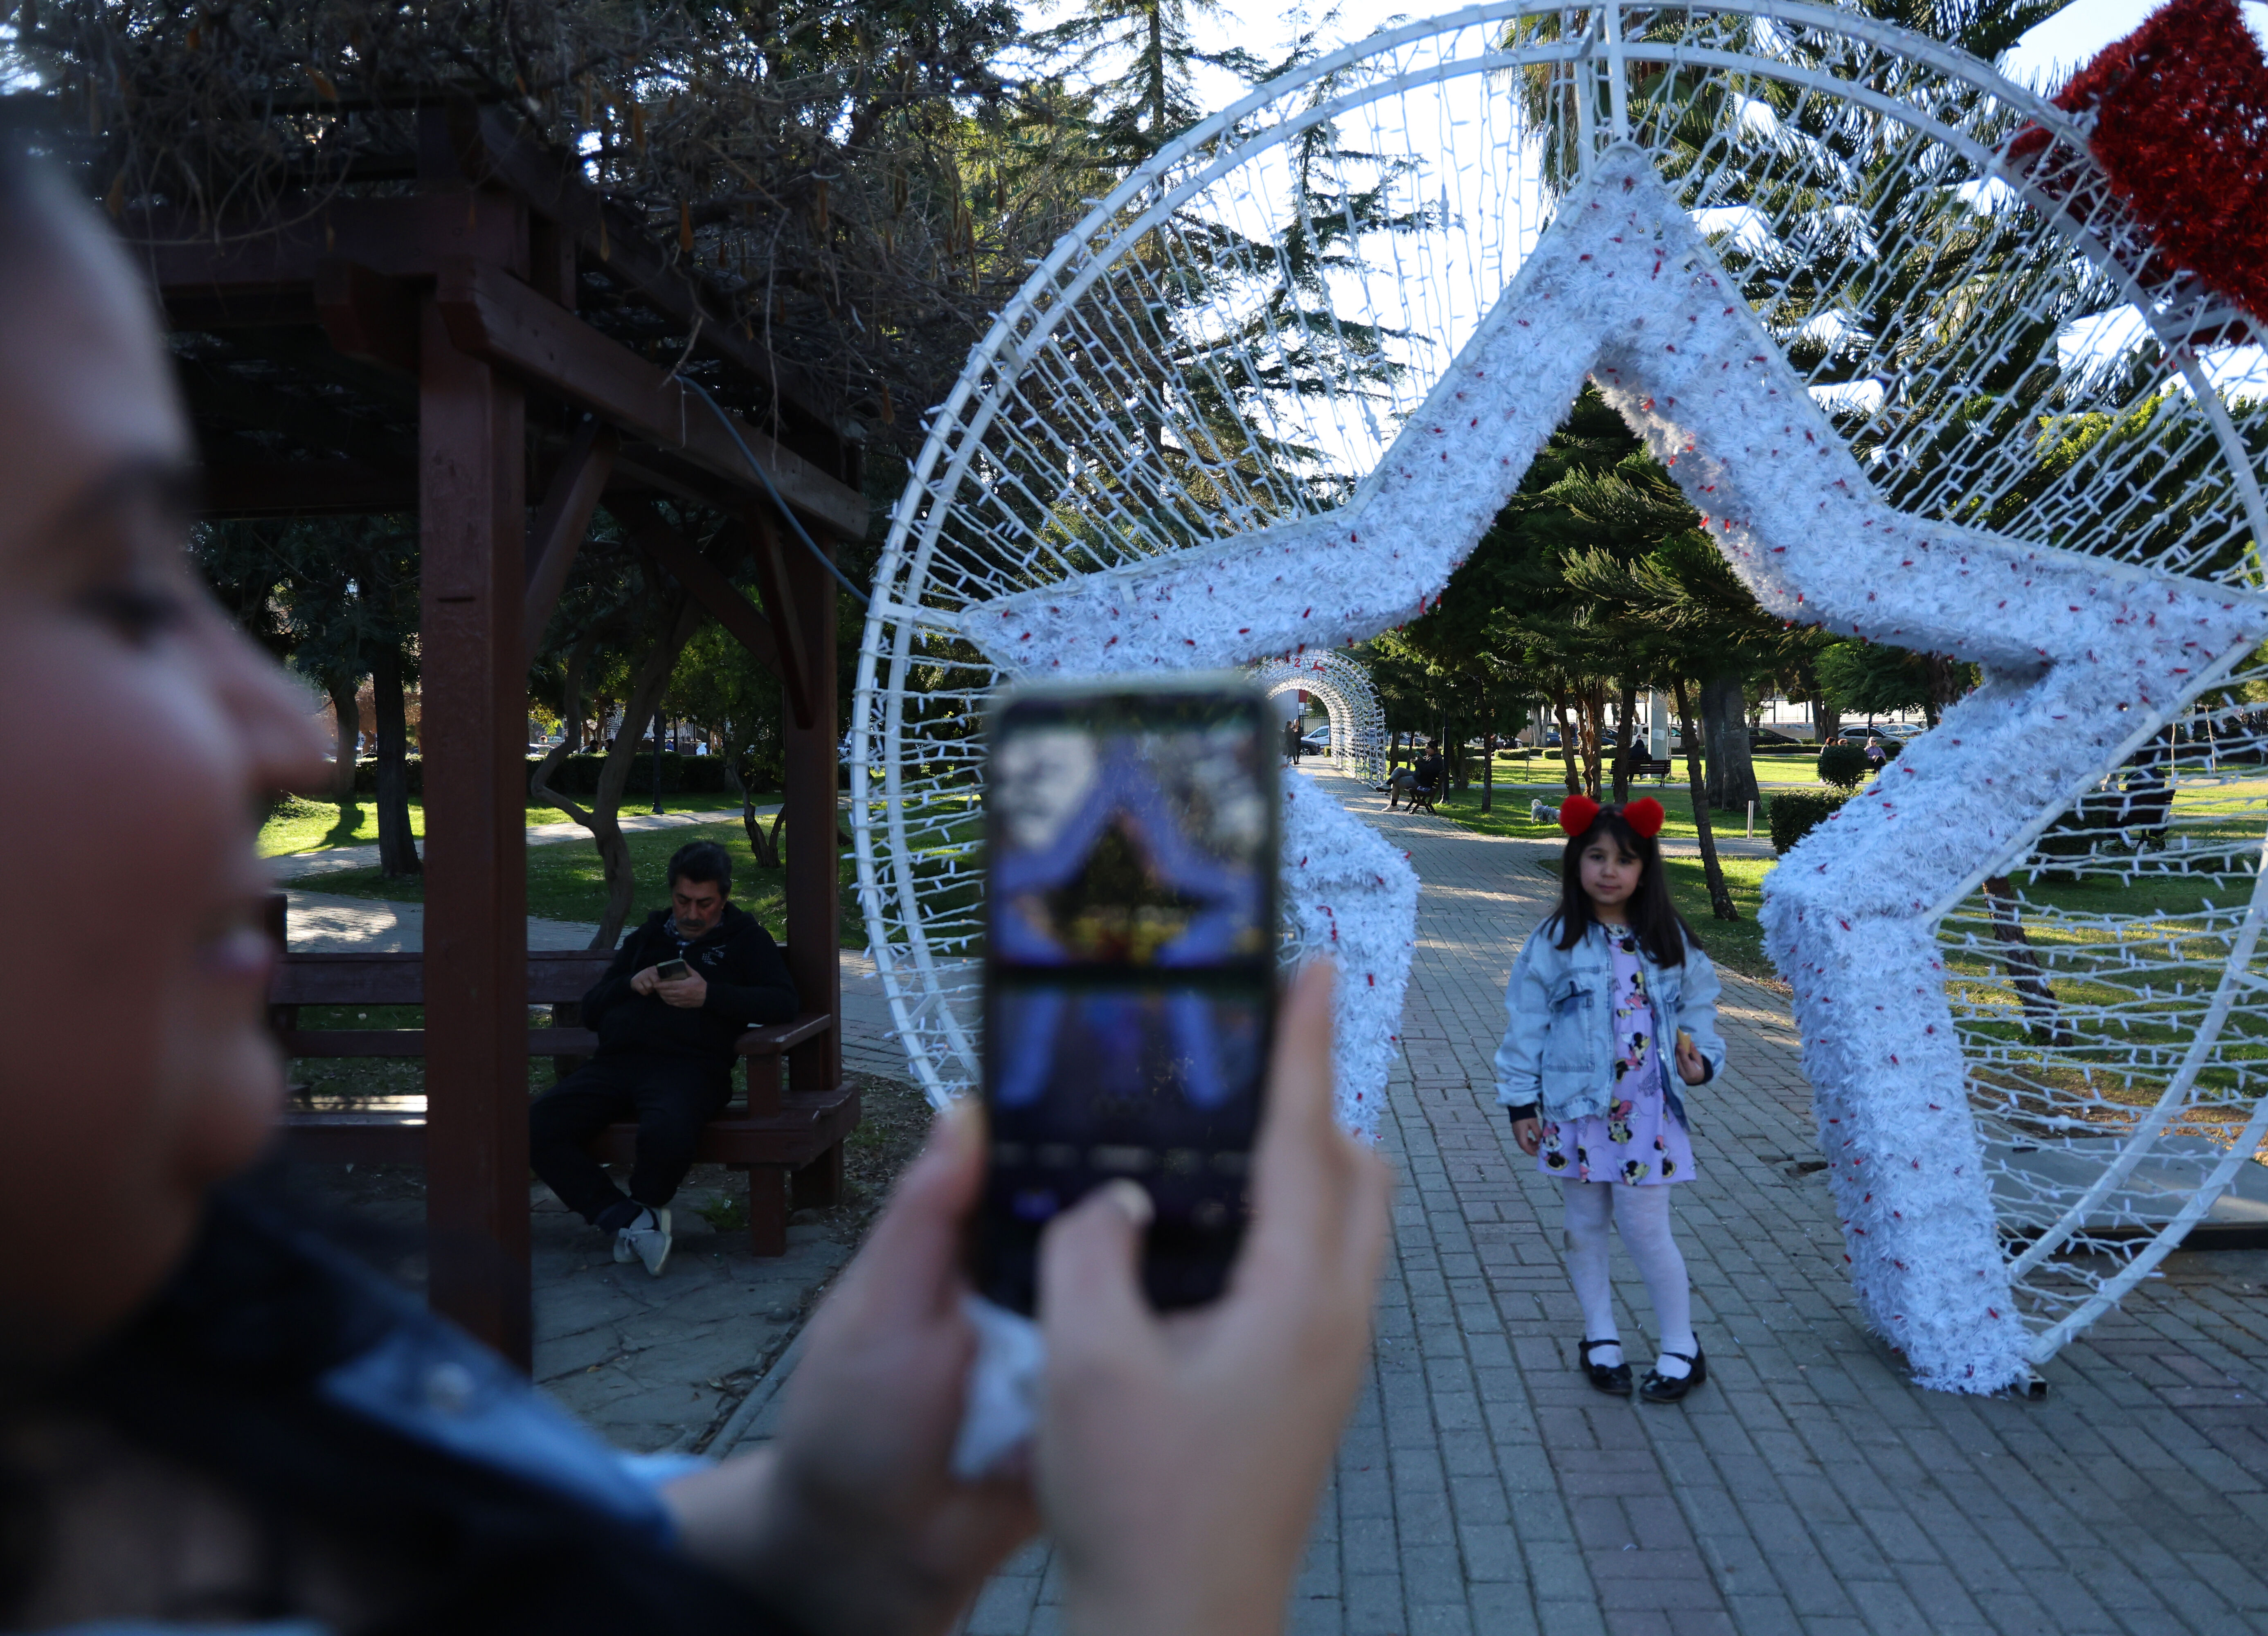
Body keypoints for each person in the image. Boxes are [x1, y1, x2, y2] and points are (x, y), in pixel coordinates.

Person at [0, 147, 1391, 1633]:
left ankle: (641, 1216)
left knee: (649, 1117)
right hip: (634, 1073)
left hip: (680, 1094)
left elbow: (503, 1567)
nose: (282, 726)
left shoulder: (227, 1332)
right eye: (126, 589)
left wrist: (836, 1532)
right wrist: (1179, 1586)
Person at [1492, 796, 1726, 1404]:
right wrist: (1521, 1104)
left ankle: (1681, 1346)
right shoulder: (1555, 941)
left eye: (1624, 859)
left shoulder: (1669, 940)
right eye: (1595, 856)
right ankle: (1601, 1337)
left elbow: (1700, 1004)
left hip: (1648, 1116)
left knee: (1647, 1230)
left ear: (1645, 869)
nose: (1609, 870)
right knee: (1584, 1226)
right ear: (1575, 863)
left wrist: (1702, 1061)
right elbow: (1525, 1026)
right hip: (1575, 1111)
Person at [528, 840, 796, 1275]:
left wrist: (708, 995)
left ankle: (644, 1207)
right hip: (617, 1065)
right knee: (536, 1125)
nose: (692, 914)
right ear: (672, 893)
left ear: (724, 898)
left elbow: (782, 1003)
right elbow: (593, 1010)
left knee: (667, 1133)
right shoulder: (646, 937)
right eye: (683, 901)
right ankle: (627, 1220)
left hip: (690, 1068)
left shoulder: (746, 941)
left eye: (705, 903)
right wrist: (629, 983)